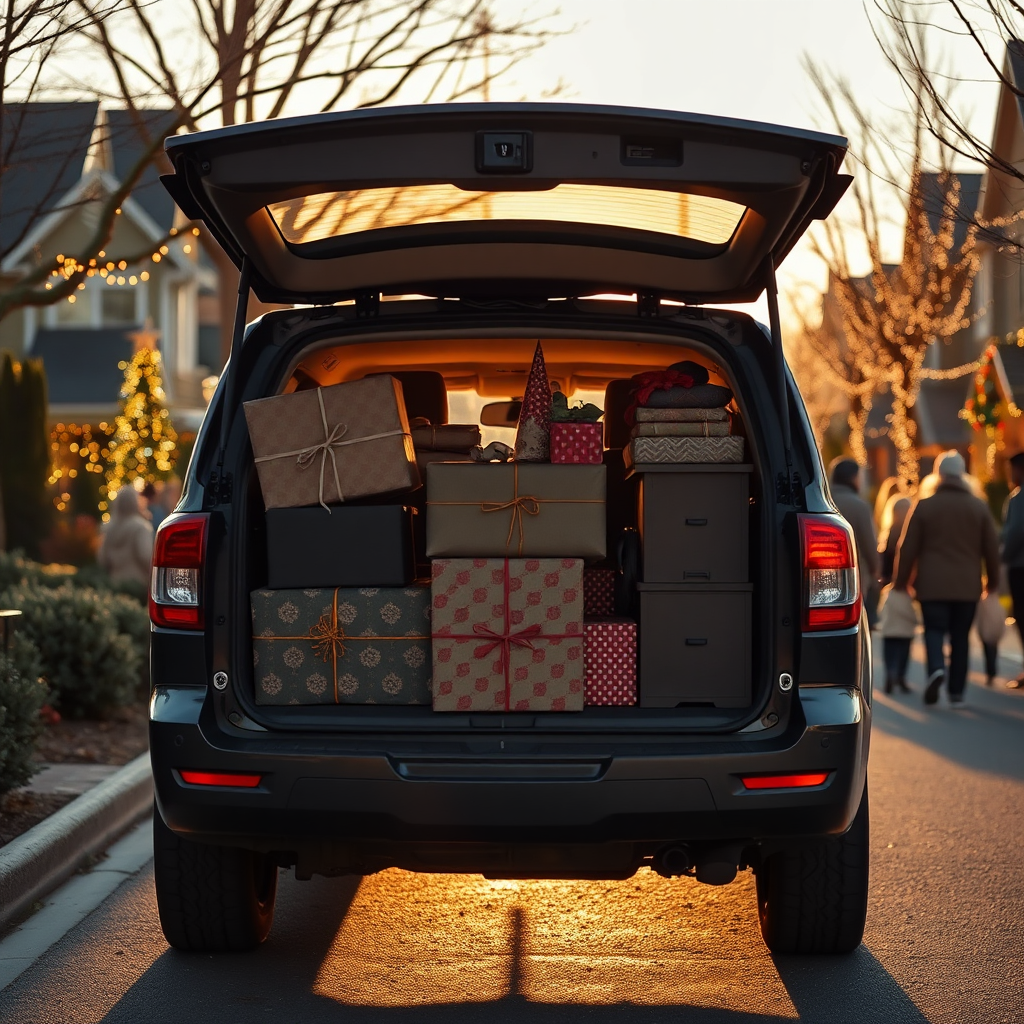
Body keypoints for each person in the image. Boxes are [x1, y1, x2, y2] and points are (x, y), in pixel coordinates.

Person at [893, 450, 1001, 707]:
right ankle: (956, 693)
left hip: (931, 586)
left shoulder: (925, 505)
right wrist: (993, 583)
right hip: (967, 587)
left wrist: (901, 583)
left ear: (938, 474)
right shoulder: (979, 507)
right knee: (960, 637)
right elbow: (992, 550)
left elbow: (907, 548)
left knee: (933, 630)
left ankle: (936, 670)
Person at [829, 457, 880, 624]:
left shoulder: (823, 501)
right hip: (854, 580)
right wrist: (875, 570)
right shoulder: (859, 506)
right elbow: (869, 546)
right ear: (853, 478)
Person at [97, 487, 155, 588]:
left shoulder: (109, 528)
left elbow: (103, 559)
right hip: (138, 585)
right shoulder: (141, 527)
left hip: (114, 584)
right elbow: (146, 557)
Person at [1001, 451, 1024, 688]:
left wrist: (1004, 555)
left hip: (1020, 565)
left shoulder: (1018, 498)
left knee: (1022, 616)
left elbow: (1016, 531)